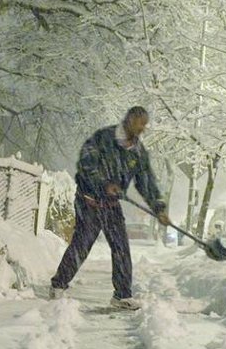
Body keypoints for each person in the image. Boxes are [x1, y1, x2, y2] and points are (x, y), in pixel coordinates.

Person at [49, 106, 170, 310]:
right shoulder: (103, 138)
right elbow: (86, 165)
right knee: (82, 245)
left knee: (121, 247)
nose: (143, 128)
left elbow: (146, 183)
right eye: (140, 123)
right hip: (89, 201)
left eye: (145, 124)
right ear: (129, 120)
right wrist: (104, 184)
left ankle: (122, 296)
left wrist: (158, 208)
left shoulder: (138, 153)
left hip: (111, 205)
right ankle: (58, 285)